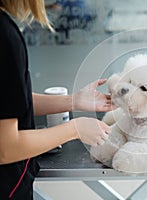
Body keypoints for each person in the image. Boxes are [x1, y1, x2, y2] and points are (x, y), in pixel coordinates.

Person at [0, 0, 115, 199]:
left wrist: (73, 101)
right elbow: (6, 147)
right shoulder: (4, 37)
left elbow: (8, 104)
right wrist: (75, 129)